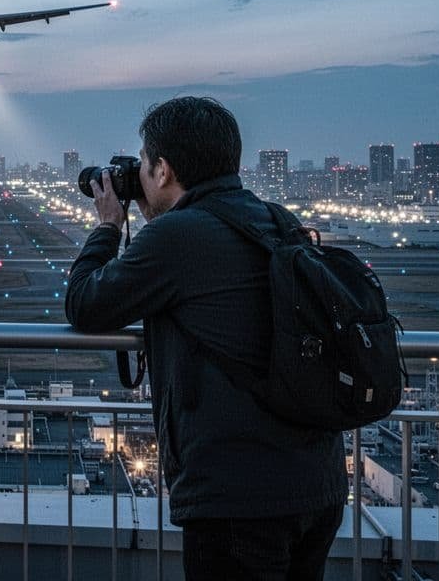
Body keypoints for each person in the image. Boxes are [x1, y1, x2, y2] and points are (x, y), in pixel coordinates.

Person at [64, 97, 346, 581]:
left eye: (145, 166)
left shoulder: (180, 236)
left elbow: (86, 304)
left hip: (238, 496)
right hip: (316, 482)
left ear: (163, 170)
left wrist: (109, 225)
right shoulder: (274, 219)